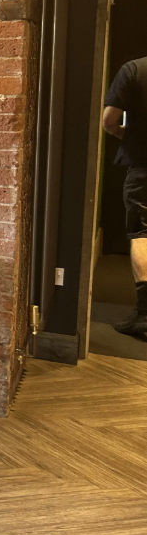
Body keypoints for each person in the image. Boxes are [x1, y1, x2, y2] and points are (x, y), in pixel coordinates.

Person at [103, 55, 147, 335]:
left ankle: (144, 315)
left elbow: (109, 121)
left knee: (142, 233)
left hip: (143, 165)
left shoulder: (134, 70)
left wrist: (127, 138)